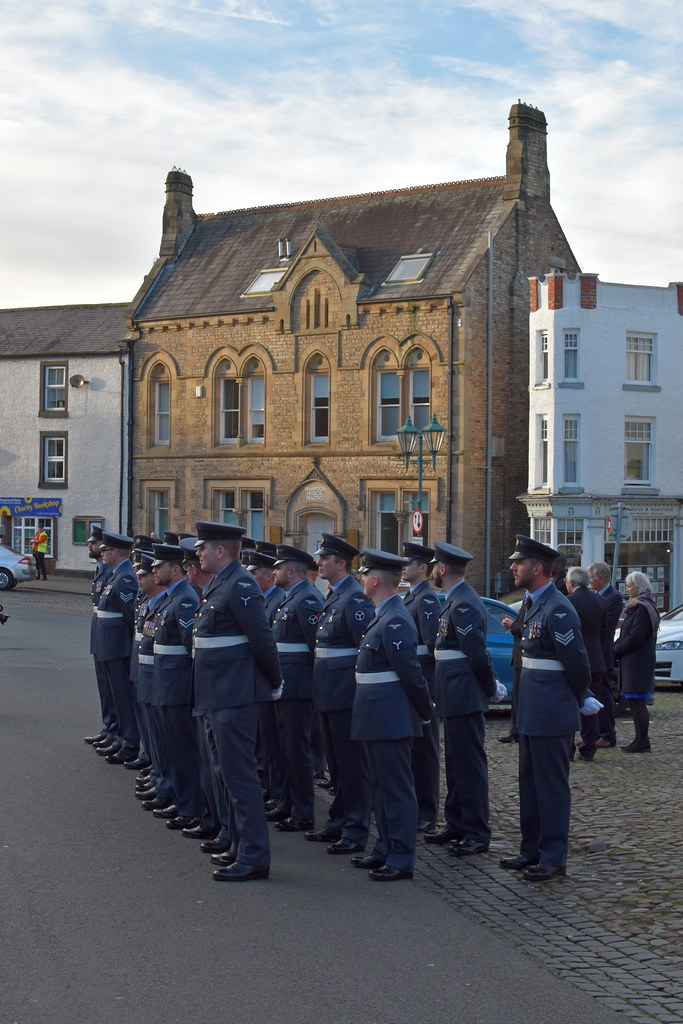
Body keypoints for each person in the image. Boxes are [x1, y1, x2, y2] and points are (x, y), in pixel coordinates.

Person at [193, 521, 282, 881]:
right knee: (226, 774)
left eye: (204, 548)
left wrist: (274, 682)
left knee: (240, 778)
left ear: (220, 551)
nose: (198, 554)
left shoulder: (240, 584)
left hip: (235, 695)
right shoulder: (220, 582)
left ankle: (255, 856)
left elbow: (262, 639)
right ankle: (239, 845)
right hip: (217, 694)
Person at [500, 536, 591, 881]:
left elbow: (577, 664)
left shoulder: (558, 607)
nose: (513, 567)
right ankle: (531, 850)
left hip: (552, 712)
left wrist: (579, 698)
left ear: (537, 568)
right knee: (530, 784)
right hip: (531, 711)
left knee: (551, 787)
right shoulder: (534, 604)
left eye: (519, 563)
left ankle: (553, 857)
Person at [350, 549, 432, 881]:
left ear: (373, 580)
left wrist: (424, 711)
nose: (360, 581)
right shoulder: (382, 613)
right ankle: (384, 847)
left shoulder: (395, 617)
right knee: (380, 787)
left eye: (363, 575)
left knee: (396, 788)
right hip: (374, 713)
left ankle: (401, 857)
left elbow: (411, 673)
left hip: (391, 715)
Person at [425, 542, 496, 857]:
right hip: (453, 694)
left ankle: (477, 832)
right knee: (455, 764)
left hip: (464, 694)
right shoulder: (454, 600)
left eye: (435, 567)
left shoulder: (464, 602)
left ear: (442, 570)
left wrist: (490, 688)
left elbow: (476, 652)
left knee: (468, 765)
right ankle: (457, 824)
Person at [307, 534, 373, 854]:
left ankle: (356, 828)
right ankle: (339, 819)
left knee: (351, 766)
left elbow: (367, 649)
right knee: (336, 765)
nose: (318, 563)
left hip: (346, 696)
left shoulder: (354, 599)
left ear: (341, 564)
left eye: (324, 559)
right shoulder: (334, 596)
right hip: (328, 694)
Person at [267, 546, 324, 832]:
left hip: (299, 688)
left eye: (277, 568)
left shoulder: (307, 600)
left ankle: (303, 812)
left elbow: (316, 647)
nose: (273, 573)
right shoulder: (290, 598)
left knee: (297, 750)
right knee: (285, 749)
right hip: (285, 686)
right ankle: (287, 803)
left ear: (291, 572)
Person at [148, 542, 203, 830]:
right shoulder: (172, 597)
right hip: (165, 683)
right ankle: (182, 801)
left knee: (184, 751)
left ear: (177, 570)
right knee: (172, 749)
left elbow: (190, 646)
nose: (154, 569)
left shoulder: (184, 599)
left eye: (160, 566)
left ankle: (192, 806)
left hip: (177, 685)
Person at [401, 541, 441, 831]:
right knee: (413, 747)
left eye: (409, 562)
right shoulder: (410, 598)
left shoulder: (426, 599)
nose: (404, 566)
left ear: (423, 568)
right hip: (410, 682)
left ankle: (426, 811)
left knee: (425, 750)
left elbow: (429, 646)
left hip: (423, 680)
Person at [93, 531, 140, 765]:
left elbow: (131, 616)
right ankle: (120, 737)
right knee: (115, 696)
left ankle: (130, 742)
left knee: (123, 697)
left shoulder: (125, 578)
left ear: (115, 552)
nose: (102, 553)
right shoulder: (114, 575)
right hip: (109, 646)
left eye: (105, 550)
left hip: (119, 647)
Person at [565, 566, 609, 762]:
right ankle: (589, 746)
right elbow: (606, 633)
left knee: (570, 703)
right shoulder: (600, 600)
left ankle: (568, 748)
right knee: (591, 705)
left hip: (576, 659)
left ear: (572, 582)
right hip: (597, 658)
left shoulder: (568, 602)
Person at [613, 571, 659, 753]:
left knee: (637, 702)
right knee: (634, 702)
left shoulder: (643, 608)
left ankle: (642, 741)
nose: (627, 589)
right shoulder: (638, 607)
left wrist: (616, 650)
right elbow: (627, 634)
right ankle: (640, 739)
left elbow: (635, 637)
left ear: (638, 587)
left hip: (638, 663)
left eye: (630, 586)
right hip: (633, 662)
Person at [588, 561, 624, 747]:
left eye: (592, 577)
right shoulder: (596, 596)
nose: (590, 581)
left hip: (602, 652)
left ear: (601, 579)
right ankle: (595, 733)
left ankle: (608, 734)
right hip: (595, 652)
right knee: (595, 694)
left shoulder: (613, 597)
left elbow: (604, 625)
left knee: (604, 694)